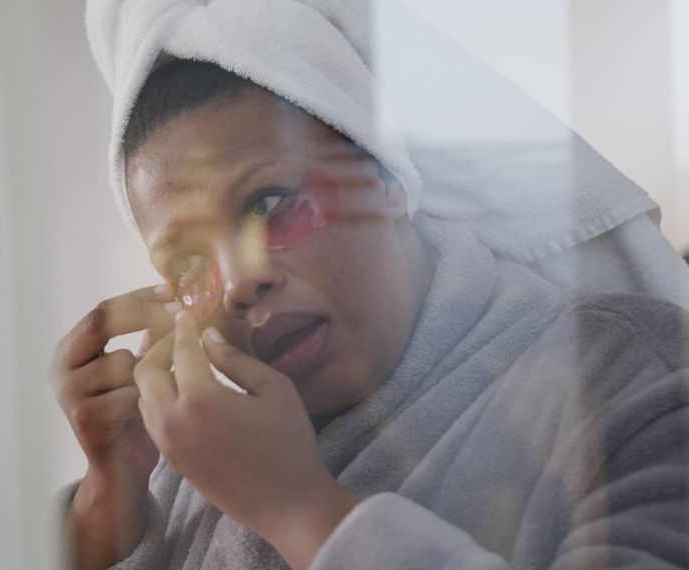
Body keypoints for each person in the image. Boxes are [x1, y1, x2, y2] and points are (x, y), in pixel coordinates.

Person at [51, 3, 689, 569]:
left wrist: (300, 510)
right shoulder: (192, 462)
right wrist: (104, 512)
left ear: (388, 177)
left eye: (270, 202)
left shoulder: (622, 378)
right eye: (187, 261)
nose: (240, 284)